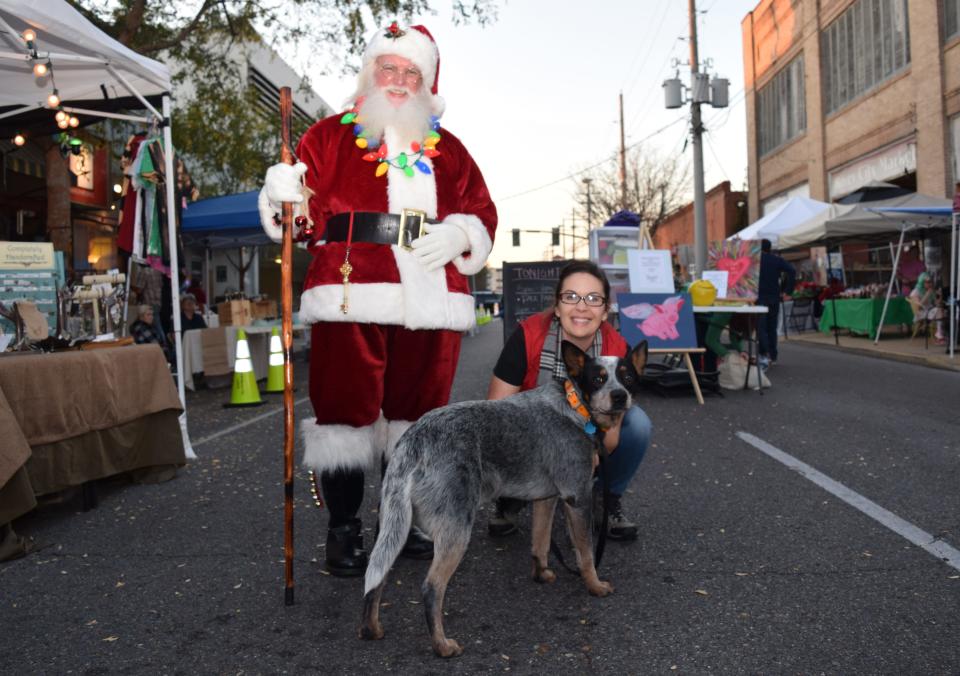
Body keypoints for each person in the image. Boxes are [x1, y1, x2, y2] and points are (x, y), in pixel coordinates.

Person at [258, 22, 497, 577]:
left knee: (418, 419)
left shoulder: (452, 151)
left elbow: (483, 213)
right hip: (350, 294)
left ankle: (406, 520)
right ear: (370, 73)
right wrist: (281, 194)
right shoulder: (326, 138)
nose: (399, 80)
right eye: (389, 67)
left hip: (433, 298)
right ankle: (343, 531)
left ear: (428, 84)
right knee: (344, 420)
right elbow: (300, 224)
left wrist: (460, 234)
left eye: (412, 72)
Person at [485, 261, 652, 541]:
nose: (582, 307)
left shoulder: (616, 347)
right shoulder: (528, 335)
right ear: (557, 305)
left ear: (605, 311)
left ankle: (603, 499)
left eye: (594, 299)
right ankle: (513, 495)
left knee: (638, 426)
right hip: (531, 426)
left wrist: (584, 453)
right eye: (571, 297)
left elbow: (609, 437)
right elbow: (495, 416)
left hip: (588, 428)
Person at [757, 239, 796, 369]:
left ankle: (764, 353)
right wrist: (788, 290)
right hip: (774, 297)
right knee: (771, 327)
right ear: (769, 248)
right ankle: (773, 355)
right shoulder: (776, 259)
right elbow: (792, 270)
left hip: (759, 297)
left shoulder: (755, 260)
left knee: (761, 327)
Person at [908, 272, 945, 344]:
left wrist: (940, 296)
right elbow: (919, 306)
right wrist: (928, 293)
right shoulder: (915, 291)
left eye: (930, 282)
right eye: (927, 282)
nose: (929, 284)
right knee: (939, 311)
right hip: (920, 313)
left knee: (943, 311)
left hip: (930, 311)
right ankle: (939, 333)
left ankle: (940, 333)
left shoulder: (930, 290)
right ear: (922, 282)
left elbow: (937, 304)